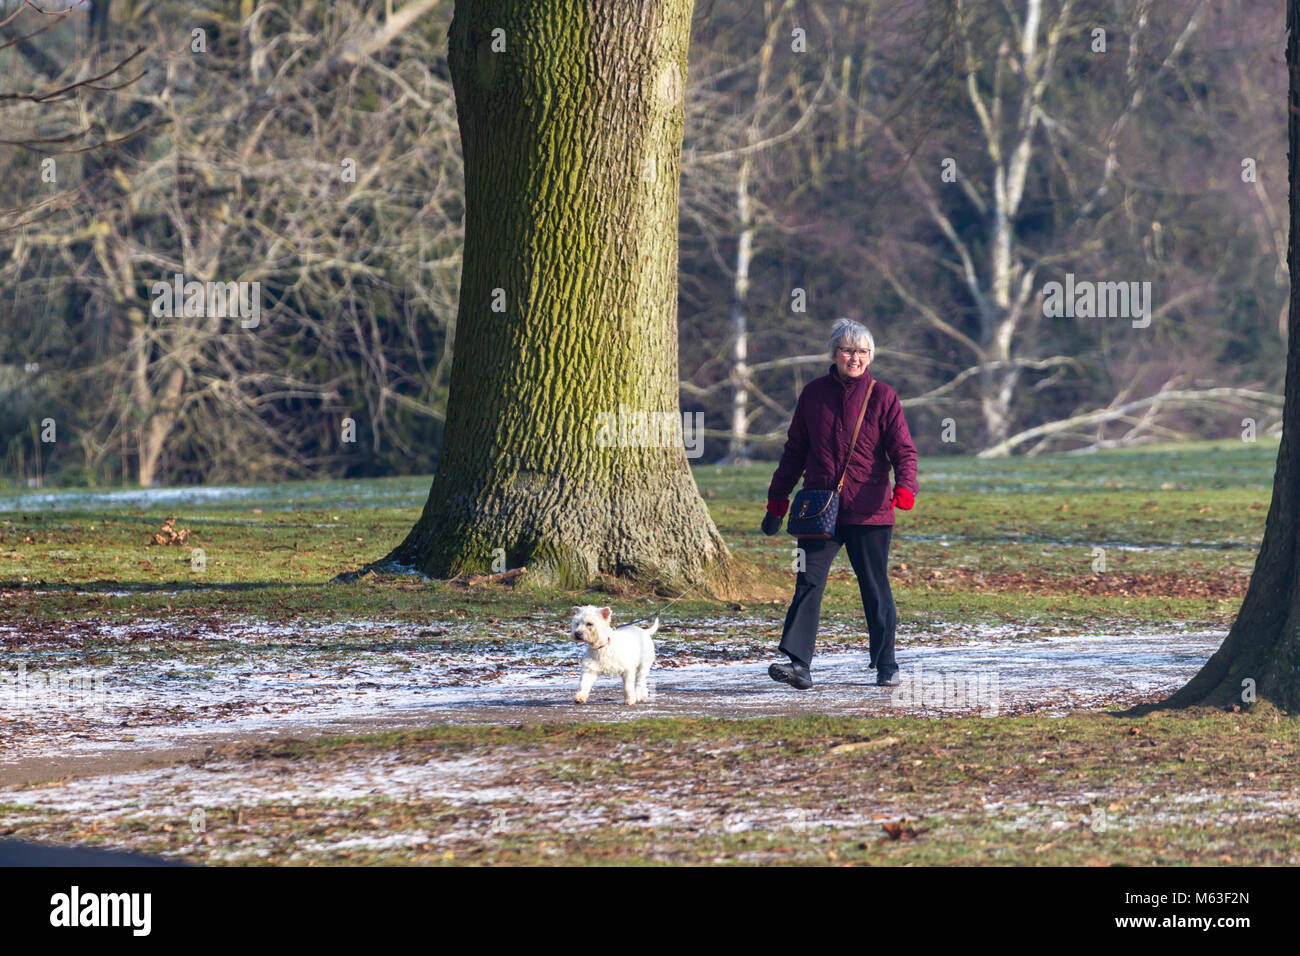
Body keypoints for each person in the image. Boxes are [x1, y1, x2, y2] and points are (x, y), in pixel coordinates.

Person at [761, 317, 918, 688]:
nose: (855, 358)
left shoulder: (883, 396)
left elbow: (904, 450)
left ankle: (886, 664)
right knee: (807, 582)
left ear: (871, 356)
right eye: (848, 350)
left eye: (863, 351)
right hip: (819, 511)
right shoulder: (814, 395)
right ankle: (798, 664)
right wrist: (777, 499)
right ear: (834, 353)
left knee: (875, 586)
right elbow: (795, 451)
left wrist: (905, 486)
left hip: (870, 510)